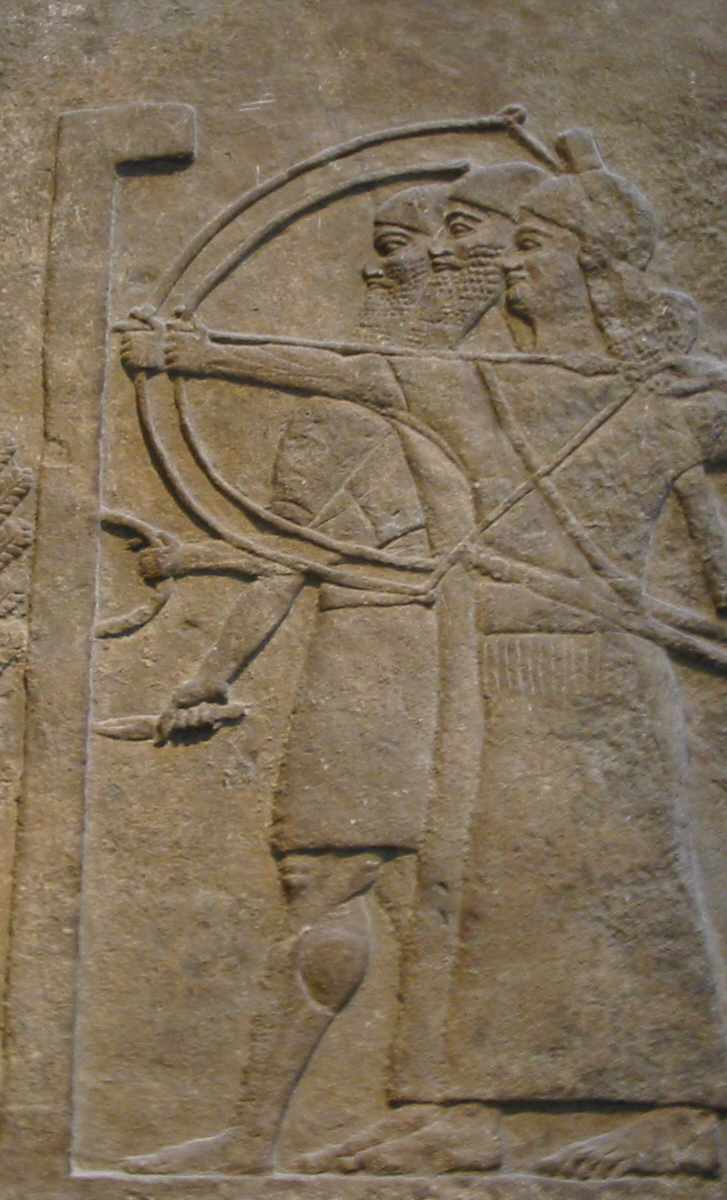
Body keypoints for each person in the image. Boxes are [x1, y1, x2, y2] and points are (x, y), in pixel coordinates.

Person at [120, 136, 727, 1181]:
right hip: (487, 669)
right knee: (476, 898)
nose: (511, 261)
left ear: (594, 266)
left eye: (536, 244)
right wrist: (187, 353)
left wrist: (685, 386)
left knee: (624, 886)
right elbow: (332, 369)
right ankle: (465, 1112)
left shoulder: (659, 398)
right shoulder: (462, 385)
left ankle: (680, 1117)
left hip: (601, 676)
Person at [119, 173, 543, 1176]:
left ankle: (271, 1139)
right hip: (380, 650)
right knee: (402, 890)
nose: (373, 270)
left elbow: (316, 538)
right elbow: (297, 552)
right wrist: (208, 646)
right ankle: (444, 1114)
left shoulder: (463, 384)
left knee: (351, 881)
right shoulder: (365, 399)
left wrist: (191, 354)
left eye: (397, 245)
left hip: (405, 657)